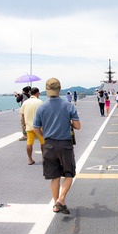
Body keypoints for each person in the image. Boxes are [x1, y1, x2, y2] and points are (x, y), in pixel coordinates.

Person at [33, 78, 81, 215]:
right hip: (65, 144)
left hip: (49, 144)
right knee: (69, 173)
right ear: (60, 89)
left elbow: (35, 128)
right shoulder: (68, 105)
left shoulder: (41, 107)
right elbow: (77, 126)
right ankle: (61, 199)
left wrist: (45, 136)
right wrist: (70, 122)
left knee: (54, 176)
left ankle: (56, 204)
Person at [20, 87, 44, 165]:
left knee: (29, 142)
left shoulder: (25, 102)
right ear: (37, 93)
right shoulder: (39, 102)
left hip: (29, 126)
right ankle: (44, 158)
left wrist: (24, 124)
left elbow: (23, 115)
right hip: (39, 127)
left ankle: (30, 159)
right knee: (43, 143)